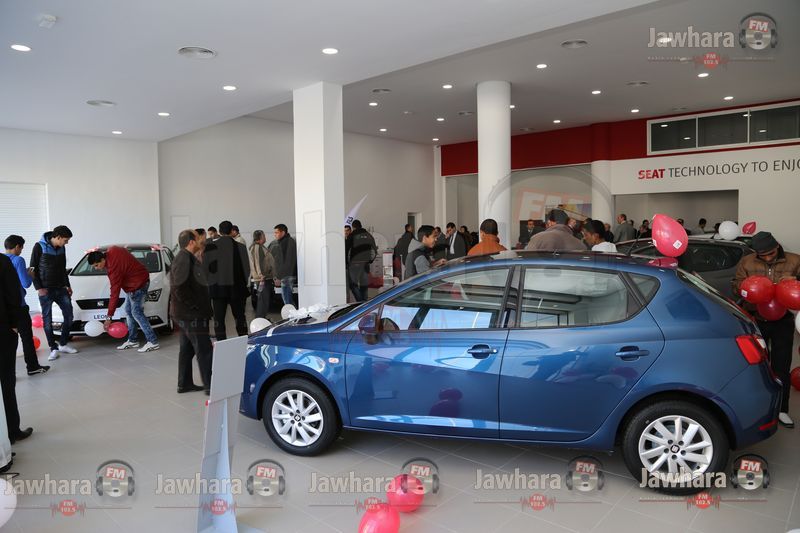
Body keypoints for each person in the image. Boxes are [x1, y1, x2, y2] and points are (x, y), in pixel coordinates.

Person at [732, 231, 800, 428]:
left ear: (777, 246)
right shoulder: (747, 262)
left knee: (782, 366)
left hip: (783, 320)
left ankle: (782, 410)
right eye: (763, 255)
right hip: (755, 320)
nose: (768, 258)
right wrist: (750, 288)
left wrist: (793, 281)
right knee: (757, 367)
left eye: (771, 253)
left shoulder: (795, 260)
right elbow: (736, 286)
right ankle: (759, 409)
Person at [87, 247, 160, 353]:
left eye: (96, 265)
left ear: (102, 259)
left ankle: (153, 342)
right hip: (138, 280)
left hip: (138, 285)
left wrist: (109, 317)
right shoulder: (113, 249)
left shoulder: (113, 270)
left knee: (136, 313)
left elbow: (114, 294)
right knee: (129, 311)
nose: (96, 268)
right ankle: (133, 340)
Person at [171, 230, 213, 395]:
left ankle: (184, 383)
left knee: (187, 350)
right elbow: (179, 288)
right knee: (204, 349)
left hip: (186, 314)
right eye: (198, 238)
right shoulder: (183, 259)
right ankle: (210, 385)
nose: (201, 240)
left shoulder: (187, 257)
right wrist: (195, 306)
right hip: (191, 315)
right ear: (191, 242)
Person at [30, 225, 78, 361]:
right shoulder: (39, 246)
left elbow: (63, 269)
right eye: (65, 240)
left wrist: (67, 285)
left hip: (61, 288)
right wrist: (39, 288)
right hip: (45, 289)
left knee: (69, 316)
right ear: (58, 237)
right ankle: (53, 348)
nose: (66, 243)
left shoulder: (62, 248)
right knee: (47, 321)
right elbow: (32, 269)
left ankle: (63, 344)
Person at [0, 253, 33, 444]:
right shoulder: (3, 261)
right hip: (3, 329)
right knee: (6, 381)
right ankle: (11, 431)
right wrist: (13, 323)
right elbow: (14, 294)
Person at [4, 236, 49, 375]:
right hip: (18, 305)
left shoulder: (2, 260)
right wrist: (30, 275)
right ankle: (32, 367)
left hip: (4, 307)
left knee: (6, 342)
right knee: (26, 338)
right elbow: (26, 283)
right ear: (17, 246)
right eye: (21, 248)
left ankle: (7, 373)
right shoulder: (18, 260)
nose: (21, 251)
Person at [204, 221, 250, 339]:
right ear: (231, 231)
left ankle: (221, 344)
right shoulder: (241, 247)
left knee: (219, 319)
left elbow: (206, 270)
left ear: (219, 231)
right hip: (237, 288)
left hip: (217, 289)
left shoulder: (210, 247)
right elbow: (246, 269)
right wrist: (243, 283)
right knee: (240, 317)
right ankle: (244, 341)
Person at [348, 220, 377, 302]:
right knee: (364, 285)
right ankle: (364, 303)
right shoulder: (369, 235)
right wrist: (370, 260)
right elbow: (374, 250)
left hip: (354, 264)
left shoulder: (352, 235)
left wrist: (347, 262)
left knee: (353, 284)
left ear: (353, 227)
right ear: (361, 225)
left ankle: (360, 301)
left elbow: (347, 250)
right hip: (365, 263)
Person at [249, 230, 275, 318]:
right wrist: (261, 276)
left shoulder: (260, 247)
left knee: (264, 299)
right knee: (263, 300)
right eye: (264, 236)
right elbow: (257, 262)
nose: (265, 237)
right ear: (260, 237)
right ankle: (260, 319)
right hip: (263, 278)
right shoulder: (257, 248)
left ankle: (262, 318)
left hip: (264, 277)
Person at [271, 224, 297, 306]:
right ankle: (294, 313)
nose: (275, 234)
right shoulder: (287, 241)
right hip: (288, 274)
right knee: (288, 300)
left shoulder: (285, 243)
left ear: (283, 232)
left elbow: (285, 261)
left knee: (287, 302)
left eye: (276, 232)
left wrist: (279, 277)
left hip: (286, 275)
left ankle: (292, 314)